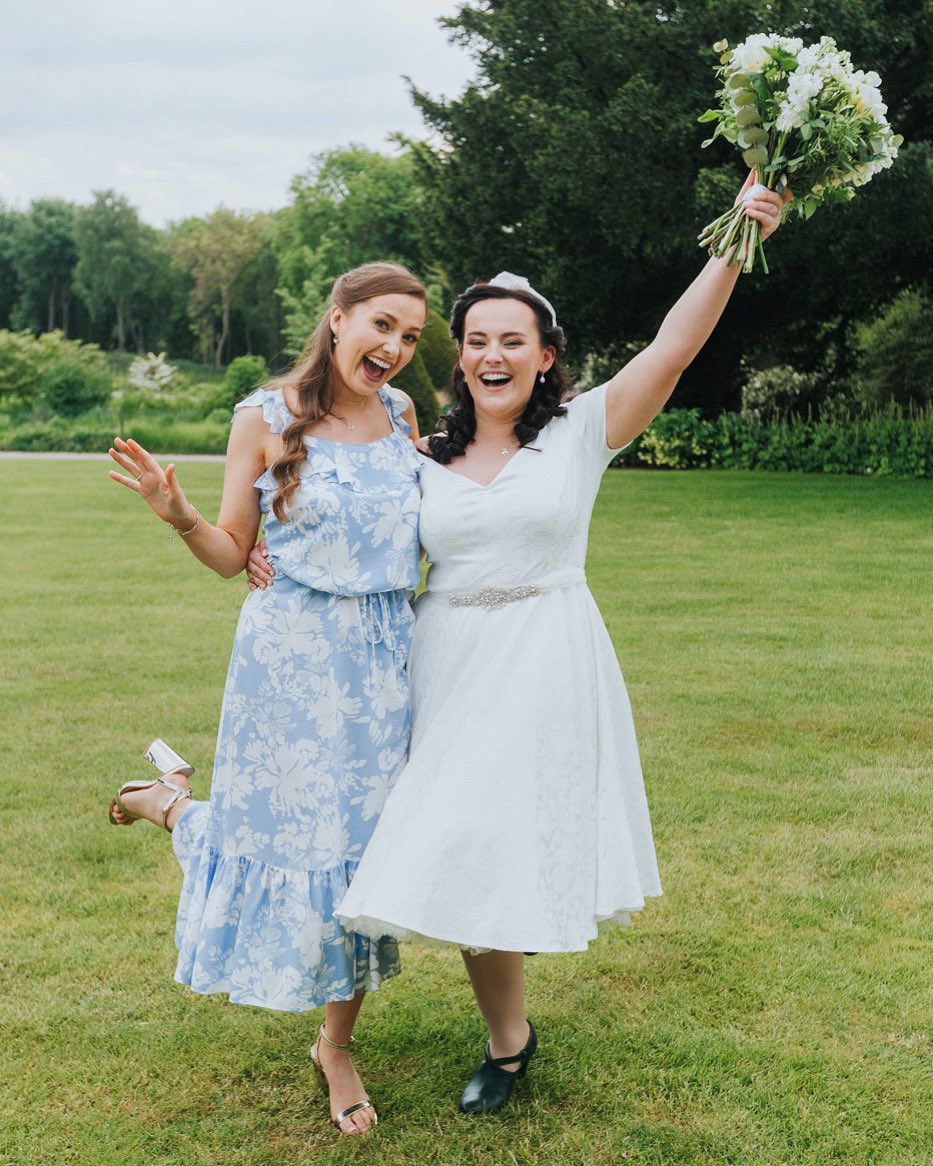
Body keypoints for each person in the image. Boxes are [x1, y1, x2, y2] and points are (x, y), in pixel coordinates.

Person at [331, 176, 789, 1113]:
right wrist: (258, 555)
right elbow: (341, 526)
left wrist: (737, 234)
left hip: (547, 657)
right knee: (459, 837)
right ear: (457, 361)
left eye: (512, 341)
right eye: (475, 342)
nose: (491, 355)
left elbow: (674, 345)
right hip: (447, 663)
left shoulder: (585, 431)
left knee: (500, 839)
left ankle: (506, 1048)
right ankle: (510, 1034)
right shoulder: (419, 457)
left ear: (545, 357)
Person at [106, 261, 428, 1135]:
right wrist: (178, 514)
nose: (395, 348)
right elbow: (228, 553)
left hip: (382, 660)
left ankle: (334, 1043)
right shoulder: (262, 414)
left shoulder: (401, 417)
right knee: (287, 839)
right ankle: (170, 805)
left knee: (361, 853)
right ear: (337, 318)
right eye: (382, 326)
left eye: (410, 337)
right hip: (288, 662)